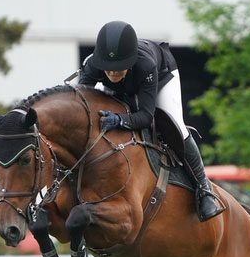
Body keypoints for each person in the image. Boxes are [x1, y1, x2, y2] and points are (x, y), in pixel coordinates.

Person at [77, 20, 225, 222]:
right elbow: (82, 105)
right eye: (108, 68)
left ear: (128, 63)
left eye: (118, 68)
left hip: (163, 76)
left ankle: (204, 189)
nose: (112, 73)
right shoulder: (93, 65)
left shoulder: (146, 65)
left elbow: (146, 116)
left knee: (176, 126)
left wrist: (120, 119)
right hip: (124, 84)